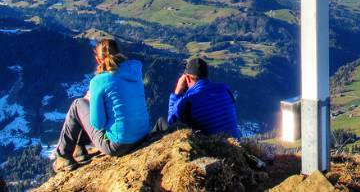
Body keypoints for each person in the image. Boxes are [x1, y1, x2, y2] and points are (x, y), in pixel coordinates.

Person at [53, 39, 150, 172]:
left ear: (98, 60)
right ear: (120, 53)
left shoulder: (99, 81)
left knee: (78, 105)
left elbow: (97, 124)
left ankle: (63, 156)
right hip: (142, 134)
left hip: (118, 145)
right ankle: (79, 150)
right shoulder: (135, 71)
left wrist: (92, 101)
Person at [165, 57, 241, 138]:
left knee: (161, 122)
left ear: (187, 78)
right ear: (206, 75)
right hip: (234, 142)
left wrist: (177, 92)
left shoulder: (188, 99)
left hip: (211, 146)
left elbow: (171, 121)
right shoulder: (225, 89)